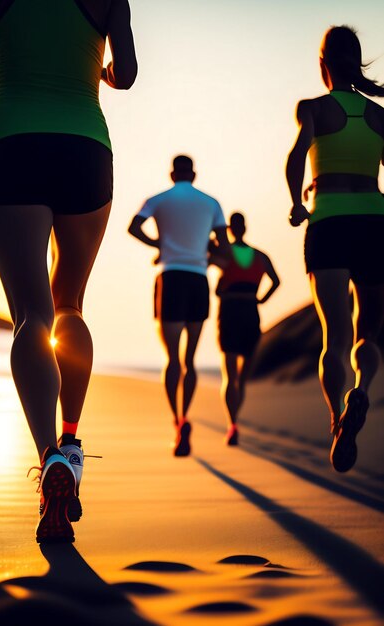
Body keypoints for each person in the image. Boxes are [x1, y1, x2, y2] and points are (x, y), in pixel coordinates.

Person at [0, 0, 137, 542]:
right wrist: (100, 72)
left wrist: (1, 73)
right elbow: (126, 76)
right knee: (69, 306)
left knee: (31, 316)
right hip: (84, 148)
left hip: (12, 145)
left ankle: (47, 460)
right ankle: (70, 440)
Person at [286, 25, 384, 473]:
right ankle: (361, 389)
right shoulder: (380, 116)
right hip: (372, 222)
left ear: (322, 64)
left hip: (327, 221)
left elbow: (296, 155)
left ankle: (336, 417)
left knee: (335, 337)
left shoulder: (313, 109)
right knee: (368, 333)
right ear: (357, 61)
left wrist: (295, 203)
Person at [128, 155, 230, 457]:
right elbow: (224, 248)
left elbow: (134, 227)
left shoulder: (158, 199)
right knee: (190, 360)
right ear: (194, 174)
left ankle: (178, 421)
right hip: (198, 279)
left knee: (171, 359)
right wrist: (204, 253)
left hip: (170, 278)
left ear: (172, 174)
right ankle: (186, 414)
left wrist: (159, 245)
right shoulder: (211, 203)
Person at [209, 212, 280, 445]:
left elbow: (206, 258)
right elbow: (276, 280)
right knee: (239, 376)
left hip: (231, 311)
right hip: (249, 310)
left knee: (233, 375)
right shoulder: (259, 256)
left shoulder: (224, 253)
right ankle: (233, 423)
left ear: (231, 229)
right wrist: (261, 298)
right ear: (244, 228)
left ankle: (233, 424)